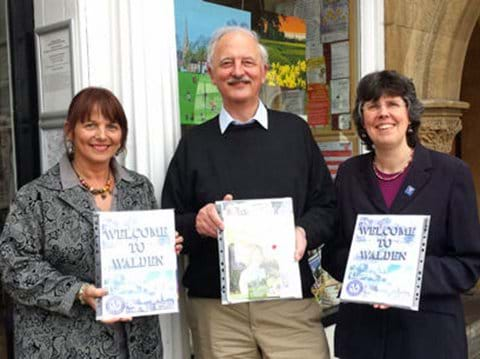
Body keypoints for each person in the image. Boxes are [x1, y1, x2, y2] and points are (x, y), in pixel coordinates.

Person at [162, 26, 336, 359]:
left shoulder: (295, 133)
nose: (238, 71)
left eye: (248, 62)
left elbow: (327, 208)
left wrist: (304, 231)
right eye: (227, 63)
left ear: (264, 71)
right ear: (212, 74)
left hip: (289, 308)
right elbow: (171, 224)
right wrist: (197, 222)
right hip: (218, 311)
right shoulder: (195, 144)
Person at [0, 87, 182, 358]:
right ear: (69, 131)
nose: (101, 135)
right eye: (90, 125)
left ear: (122, 135)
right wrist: (79, 292)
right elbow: (14, 267)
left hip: (136, 344)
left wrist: (164, 250)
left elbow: (145, 261)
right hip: (63, 345)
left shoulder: (139, 188)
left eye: (112, 126)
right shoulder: (36, 196)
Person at [322, 70, 480, 359]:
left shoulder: (452, 174)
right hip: (363, 338)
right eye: (372, 106)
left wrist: (403, 279)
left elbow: (468, 264)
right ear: (362, 118)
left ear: (409, 114)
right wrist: (369, 278)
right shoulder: (348, 174)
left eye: (392, 104)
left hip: (429, 338)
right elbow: (333, 252)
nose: (383, 114)